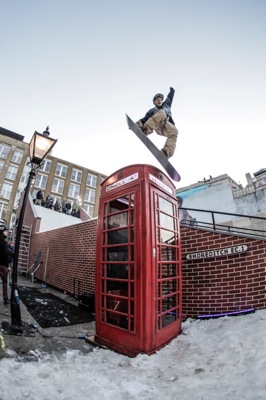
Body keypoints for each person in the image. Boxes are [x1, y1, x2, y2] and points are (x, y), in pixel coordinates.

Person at [135, 87, 178, 159]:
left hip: (166, 127)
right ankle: (146, 129)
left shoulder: (166, 105)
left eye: (161, 99)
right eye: (157, 100)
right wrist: (136, 124)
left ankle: (166, 152)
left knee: (175, 131)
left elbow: (169, 98)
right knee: (162, 113)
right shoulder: (152, 110)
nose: (159, 101)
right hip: (158, 126)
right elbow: (144, 119)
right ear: (154, 102)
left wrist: (172, 91)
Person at [0, 221, 12, 305]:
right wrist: (12, 251)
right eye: (6, 231)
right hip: (3, 265)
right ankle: (6, 299)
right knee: (5, 283)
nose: (7, 232)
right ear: (2, 231)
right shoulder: (4, 242)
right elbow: (6, 253)